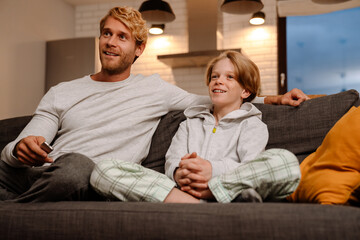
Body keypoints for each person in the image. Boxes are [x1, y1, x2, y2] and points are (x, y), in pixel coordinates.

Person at [0, 6, 307, 203]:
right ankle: (22, 205)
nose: (110, 42)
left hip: (81, 175)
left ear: (138, 48)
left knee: (82, 167)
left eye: (122, 37)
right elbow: (14, 152)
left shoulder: (154, 89)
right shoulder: (62, 91)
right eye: (107, 33)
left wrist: (274, 98)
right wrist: (20, 148)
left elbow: (219, 100)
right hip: (41, 174)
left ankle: (14, 210)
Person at [90, 50, 301, 203]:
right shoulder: (190, 123)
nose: (218, 81)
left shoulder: (252, 125)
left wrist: (212, 170)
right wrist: (177, 173)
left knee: (285, 163)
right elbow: (172, 159)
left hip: (227, 184)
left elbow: (250, 166)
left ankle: (213, 192)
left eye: (229, 77)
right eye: (215, 77)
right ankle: (191, 202)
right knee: (103, 171)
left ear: (245, 91)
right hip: (182, 189)